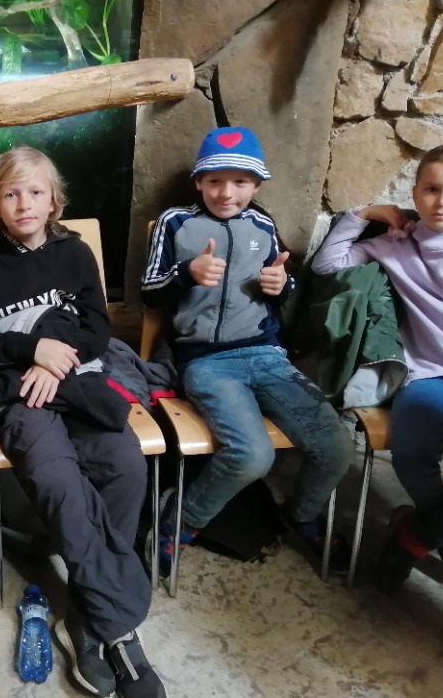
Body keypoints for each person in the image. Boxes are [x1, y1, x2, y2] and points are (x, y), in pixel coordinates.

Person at [0, 146, 166, 698]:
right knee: (57, 480)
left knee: (125, 466)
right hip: (19, 391)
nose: (24, 203)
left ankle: (85, 614)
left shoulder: (75, 253)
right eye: (11, 194)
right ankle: (115, 629)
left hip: (74, 380)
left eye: (35, 192)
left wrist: (56, 360)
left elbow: (97, 328)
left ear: (54, 201)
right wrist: (33, 351)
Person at [141, 126, 352, 576]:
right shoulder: (174, 222)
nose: (226, 192)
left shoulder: (262, 225)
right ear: (199, 182)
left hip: (267, 356)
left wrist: (282, 286)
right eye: (215, 180)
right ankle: (182, 519)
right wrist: (187, 273)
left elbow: (280, 288)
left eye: (240, 181)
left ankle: (300, 515)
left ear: (256, 185)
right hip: (205, 361)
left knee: (336, 445)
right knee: (253, 456)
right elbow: (150, 292)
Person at [311, 142, 443, 591]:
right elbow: (328, 265)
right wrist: (364, 214)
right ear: (415, 193)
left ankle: (416, 537)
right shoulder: (397, 244)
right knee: (411, 455)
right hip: (429, 371)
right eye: (431, 189)